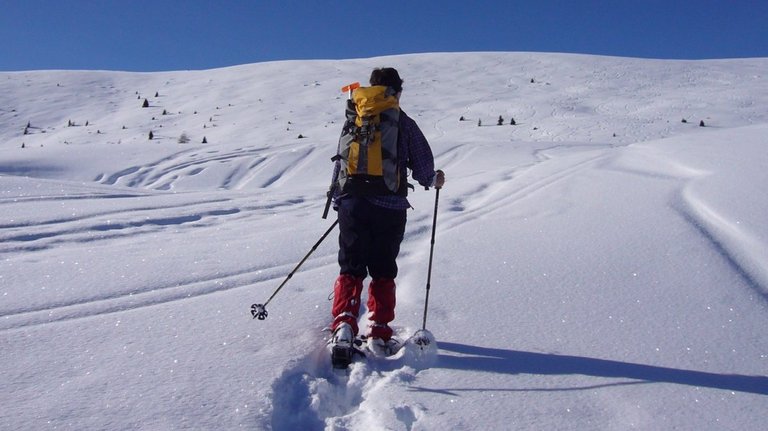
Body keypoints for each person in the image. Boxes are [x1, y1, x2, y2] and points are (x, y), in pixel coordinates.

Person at [330, 67, 445, 356]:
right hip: (390, 206)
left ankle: (344, 324)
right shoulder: (403, 123)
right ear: (398, 91)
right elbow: (422, 166)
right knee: (383, 268)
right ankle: (379, 331)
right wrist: (433, 179)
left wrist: (338, 199)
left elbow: (341, 162)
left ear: (373, 87)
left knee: (351, 265)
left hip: (352, 202)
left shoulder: (354, 117)